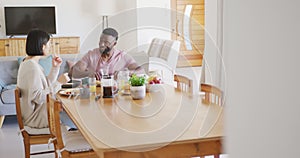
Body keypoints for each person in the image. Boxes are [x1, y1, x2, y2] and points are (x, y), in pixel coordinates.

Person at [17, 29, 73, 129]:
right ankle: (78, 138)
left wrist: (55, 67)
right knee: (75, 112)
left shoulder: (29, 63)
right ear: (42, 46)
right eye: (49, 44)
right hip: (36, 118)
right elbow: (39, 97)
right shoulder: (31, 67)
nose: (50, 47)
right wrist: (59, 83)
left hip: (39, 112)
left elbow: (45, 85)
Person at [69, 28, 144, 80]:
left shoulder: (122, 56)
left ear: (114, 44)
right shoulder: (91, 55)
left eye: (106, 42)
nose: (102, 44)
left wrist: (125, 73)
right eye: (100, 41)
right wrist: (88, 73)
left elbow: (141, 71)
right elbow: (73, 72)